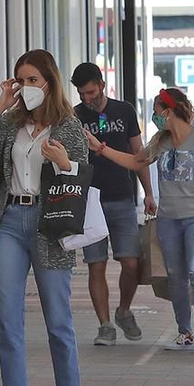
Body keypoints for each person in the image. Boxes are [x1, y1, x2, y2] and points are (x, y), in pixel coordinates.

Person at [0, 50, 88, 386]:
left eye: (33, 80)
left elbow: (82, 171)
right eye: (21, 80)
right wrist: (0, 105)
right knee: (8, 317)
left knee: (57, 317)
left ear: (49, 82)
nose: (26, 87)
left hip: (49, 221)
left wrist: (63, 162)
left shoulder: (67, 124)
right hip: (10, 221)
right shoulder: (11, 124)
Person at [91, 88, 194, 354]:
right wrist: (102, 149)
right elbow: (136, 161)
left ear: (168, 111)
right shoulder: (160, 141)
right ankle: (185, 332)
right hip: (168, 219)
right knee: (176, 277)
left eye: (156, 111)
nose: (154, 117)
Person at [70, 63, 155, 346]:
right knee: (96, 264)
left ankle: (124, 310)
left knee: (131, 262)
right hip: (89, 201)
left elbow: (138, 153)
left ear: (102, 85)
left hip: (122, 196)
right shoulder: (74, 116)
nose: (86, 99)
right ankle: (105, 325)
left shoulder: (124, 111)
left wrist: (149, 192)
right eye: (81, 94)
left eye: (91, 92)